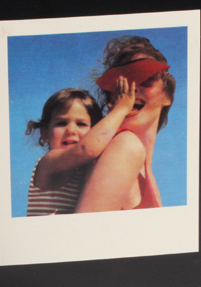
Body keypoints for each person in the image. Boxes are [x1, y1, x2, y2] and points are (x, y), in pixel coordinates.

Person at [76, 36, 176, 212]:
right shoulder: (126, 146)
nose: (131, 88)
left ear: (167, 96)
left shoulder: (143, 169)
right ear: (111, 101)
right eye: (121, 83)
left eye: (146, 77)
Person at [25, 78, 136, 216]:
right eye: (61, 123)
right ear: (45, 134)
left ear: (94, 130)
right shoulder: (48, 162)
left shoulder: (89, 169)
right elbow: (85, 149)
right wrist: (121, 109)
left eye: (81, 124)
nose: (71, 130)